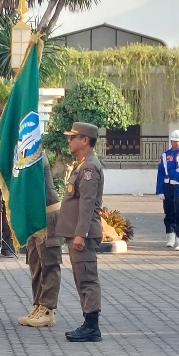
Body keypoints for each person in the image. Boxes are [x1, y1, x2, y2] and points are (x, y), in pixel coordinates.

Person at [56, 122, 104, 342]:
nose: (69, 140)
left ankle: (92, 326)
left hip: (83, 234)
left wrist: (80, 234)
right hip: (78, 232)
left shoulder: (89, 168)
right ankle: (88, 322)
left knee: (87, 279)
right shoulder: (82, 164)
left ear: (85, 140)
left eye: (73, 137)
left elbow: (87, 202)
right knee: (81, 278)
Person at [18, 152, 63, 327]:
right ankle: (38, 305)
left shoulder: (35, 156)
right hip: (33, 217)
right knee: (35, 264)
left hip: (46, 215)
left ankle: (47, 309)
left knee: (49, 263)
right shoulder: (20, 156)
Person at [156, 130, 179, 248]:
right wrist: (160, 190)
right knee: (169, 211)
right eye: (174, 141)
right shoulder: (165, 155)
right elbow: (161, 173)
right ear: (171, 141)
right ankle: (171, 236)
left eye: (178, 141)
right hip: (168, 186)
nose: (176, 144)